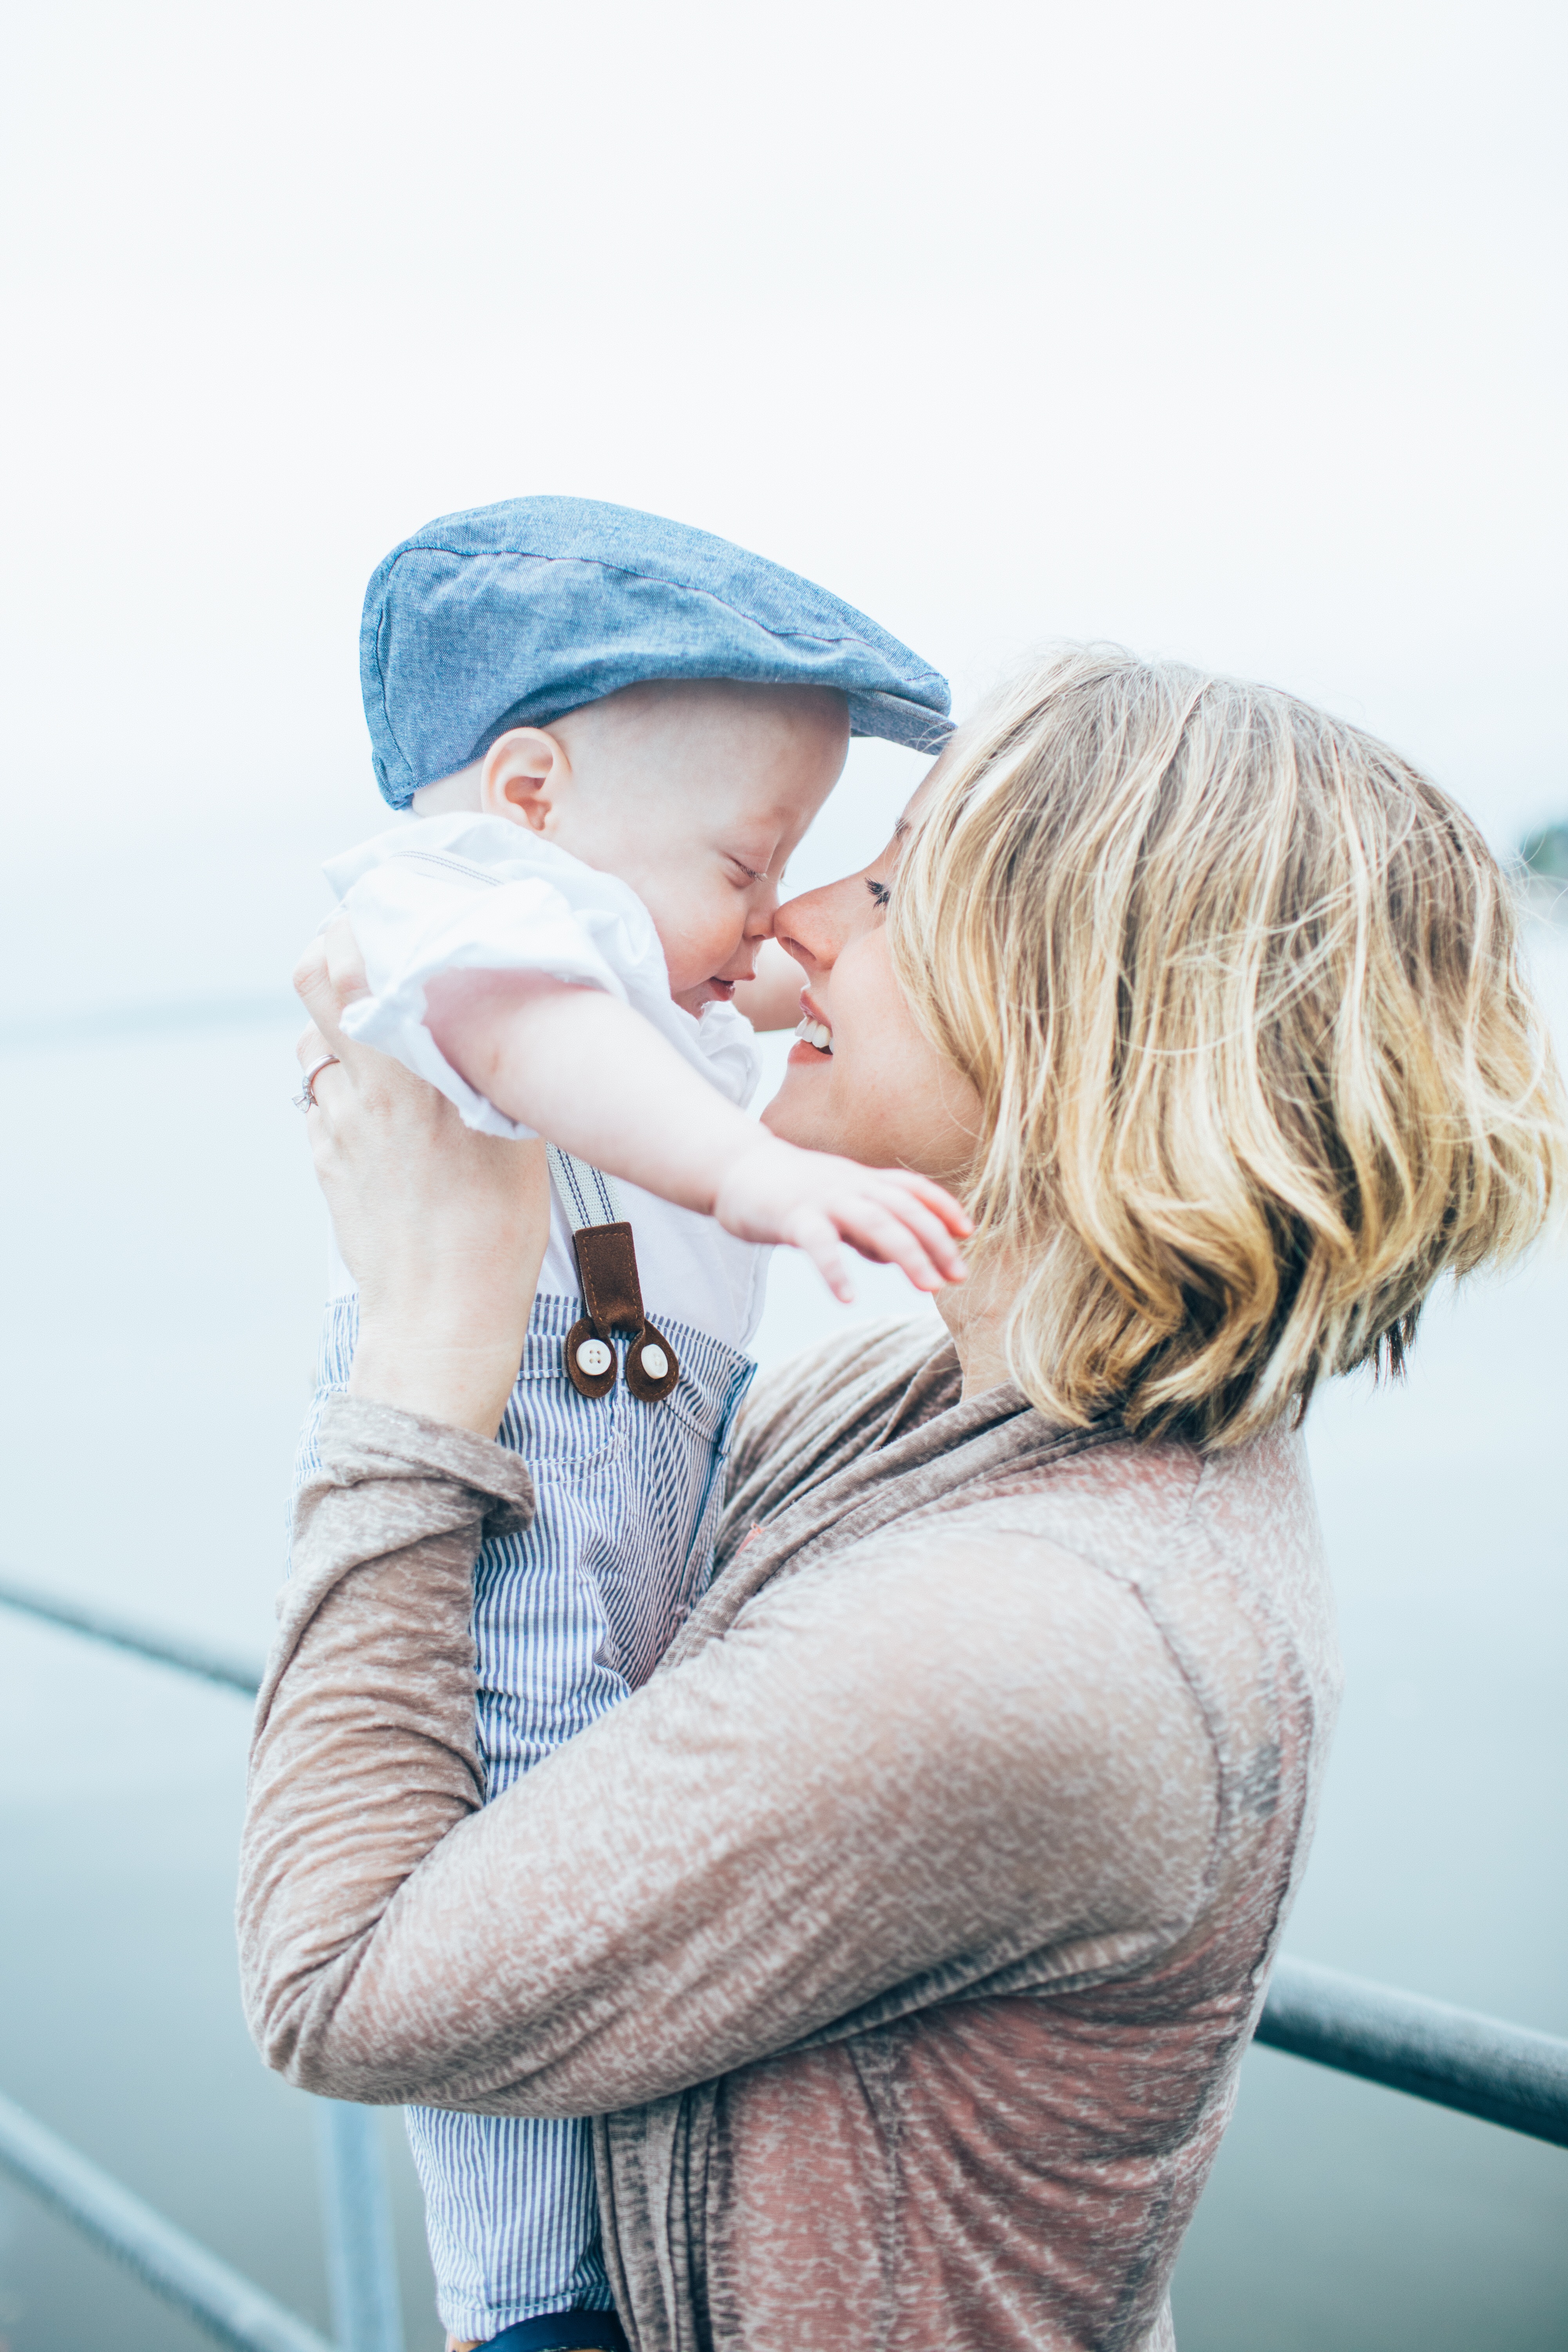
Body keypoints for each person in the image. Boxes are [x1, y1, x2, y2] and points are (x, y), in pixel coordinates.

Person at [245, 648, 1566, 2352]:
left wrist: (425, 1338)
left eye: (888, 888)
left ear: (1078, 1014)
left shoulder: (1031, 1639)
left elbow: (336, 1981)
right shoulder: (951, 1404)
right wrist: (530, 1099)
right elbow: (597, 1489)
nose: (797, 918)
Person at [293, 497, 969, 2350]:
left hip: (637, 1445)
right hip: (525, 1453)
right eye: (750, 862)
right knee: (506, 1814)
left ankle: (600, 2259)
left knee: (590, 1842)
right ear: (530, 792)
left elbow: (698, 1004)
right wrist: (752, 1173)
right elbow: (532, 1043)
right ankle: (528, 2297)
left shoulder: (622, 943)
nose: (768, 919)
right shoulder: (466, 905)